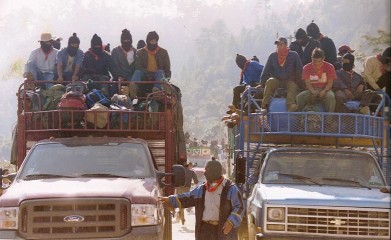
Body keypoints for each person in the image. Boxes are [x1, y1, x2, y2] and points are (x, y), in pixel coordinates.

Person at [159, 159, 244, 240]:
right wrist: (170, 199)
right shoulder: (202, 189)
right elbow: (187, 197)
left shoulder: (230, 188)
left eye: (207, 171)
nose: (205, 174)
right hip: (205, 230)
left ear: (215, 172)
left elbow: (239, 207)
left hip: (223, 230)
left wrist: (231, 221)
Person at [260, 36, 303, 112]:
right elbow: (266, 71)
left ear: (286, 45)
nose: (279, 47)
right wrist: (262, 83)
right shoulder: (272, 56)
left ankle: (290, 105)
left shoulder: (294, 55)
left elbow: (299, 70)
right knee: (270, 81)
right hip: (277, 79)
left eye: (281, 45)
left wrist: (300, 83)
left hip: (289, 79)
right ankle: (265, 106)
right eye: (278, 45)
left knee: (293, 86)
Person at [296, 48, 336, 112]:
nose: (317, 63)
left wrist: (324, 91)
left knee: (330, 97)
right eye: (314, 61)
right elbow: (308, 83)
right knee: (299, 97)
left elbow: (330, 82)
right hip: (312, 89)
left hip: (325, 89)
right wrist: (313, 91)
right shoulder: (306, 68)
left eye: (319, 61)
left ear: (323, 59)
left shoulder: (330, 67)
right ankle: (300, 117)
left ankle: (329, 119)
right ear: (311, 58)